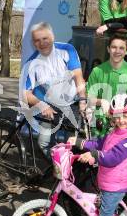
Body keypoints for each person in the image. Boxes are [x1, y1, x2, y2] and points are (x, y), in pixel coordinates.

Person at [23, 22, 86, 157]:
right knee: (44, 143)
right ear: (34, 43)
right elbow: (25, 93)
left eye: (45, 38)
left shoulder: (67, 50)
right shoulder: (32, 63)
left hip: (73, 103)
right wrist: (41, 105)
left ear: (52, 37)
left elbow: (78, 76)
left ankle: (66, 172)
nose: (42, 43)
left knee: (71, 145)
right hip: (50, 106)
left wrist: (82, 99)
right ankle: (58, 171)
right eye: (37, 40)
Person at [86, 33, 127, 136]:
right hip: (99, 122)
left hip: (122, 121)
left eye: (121, 48)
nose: (117, 51)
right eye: (114, 47)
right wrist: (101, 101)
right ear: (108, 49)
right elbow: (89, 98)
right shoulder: (97, 71)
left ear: (126, 51)